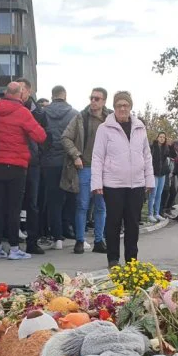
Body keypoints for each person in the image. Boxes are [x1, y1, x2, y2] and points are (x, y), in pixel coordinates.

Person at [91, 91, 152, 267]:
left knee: (133, 223)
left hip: (137, 184)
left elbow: (146, 155)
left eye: (125, 105)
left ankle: (132, 260)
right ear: (114, 107)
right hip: (113, 184)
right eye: (119, 105)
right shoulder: (105, 128)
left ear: (131, 107)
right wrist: (97, 182)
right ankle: (113, 259)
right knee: (114, 222)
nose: (122, 108)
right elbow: (97, 157)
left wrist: (149, 180)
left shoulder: (140, 127)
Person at [0, 81, 47, 259]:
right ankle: (14, 248)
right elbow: (40, 136)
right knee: (14, 208)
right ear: (20, 94)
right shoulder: (22, 112)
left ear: (6, 93)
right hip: (17, 165)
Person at [61, 87, 110, 254]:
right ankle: (80, 241)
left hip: (104, 169)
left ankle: (99, 241)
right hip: (85, 167)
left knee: (101, 206)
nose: (93, 101)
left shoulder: (110, 119)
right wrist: (75, 155)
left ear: (104, 101)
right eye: (92, 98)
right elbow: (65, 137)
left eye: (97, 98)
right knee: (82, 205)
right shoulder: (80, 117)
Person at [41, 85, 79, 250]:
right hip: (68, 161)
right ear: (65, 96)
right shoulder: (74, 114)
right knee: (71, 197)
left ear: (52, 95)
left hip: (49, 161)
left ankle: (57, 237)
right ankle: (69, 228)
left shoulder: (43, 113)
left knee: (53, 200)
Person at [17, 77, 48, 253]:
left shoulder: (39, 113)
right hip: (16, 161)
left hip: (33, 163)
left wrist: (39, 154)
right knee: (14, 202)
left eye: (22, 89)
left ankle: (32, 241)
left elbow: (45, 136)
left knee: (33, 203)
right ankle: (13, 241)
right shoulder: (12, 109)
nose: (20, 93)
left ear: (29, 91)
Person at [148, 132, 172, 222]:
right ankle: (150, 214)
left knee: (159, 194)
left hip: (162, 173)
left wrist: (171, 146)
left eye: (163, 137)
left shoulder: (166, 148)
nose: (162, 138)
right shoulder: (152, 147)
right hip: (154, 173)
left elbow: (171, 156)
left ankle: (156, 213)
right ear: (157, 137)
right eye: (160, 137)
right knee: (153, 194)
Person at [162, 140, 178, 217]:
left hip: (172, 173)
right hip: (167, 173)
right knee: (167, 191)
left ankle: (167, 208)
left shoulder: (176, 152)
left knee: (173, 192)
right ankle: (163, 209)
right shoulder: (170, 151)